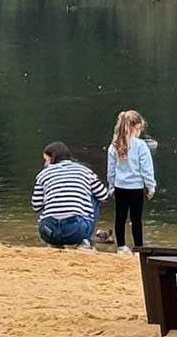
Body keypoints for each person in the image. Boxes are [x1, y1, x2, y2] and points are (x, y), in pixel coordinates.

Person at [31, 141, 110, 251]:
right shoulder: (85, 171)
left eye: (46, 160)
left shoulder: (42, 175)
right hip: (76, 230)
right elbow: (104, 195)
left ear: (52, 158)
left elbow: (36, 206)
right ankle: (84, 241)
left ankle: (55, 243)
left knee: (46, 199)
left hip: (49, 231)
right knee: (95, 196)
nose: (45, 164)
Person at [107, 109, 156, 254]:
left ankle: (121, 246)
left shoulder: (113, 146)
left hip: (120, 187)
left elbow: (111, 170)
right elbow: (146, 169)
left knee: (120, 218)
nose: (140, 132)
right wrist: (151, 186)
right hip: (136, 188)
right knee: (136, 219)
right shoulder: (141, 146)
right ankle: (138, 247)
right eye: (139, 129)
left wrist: (111, 185)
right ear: (135, 128)